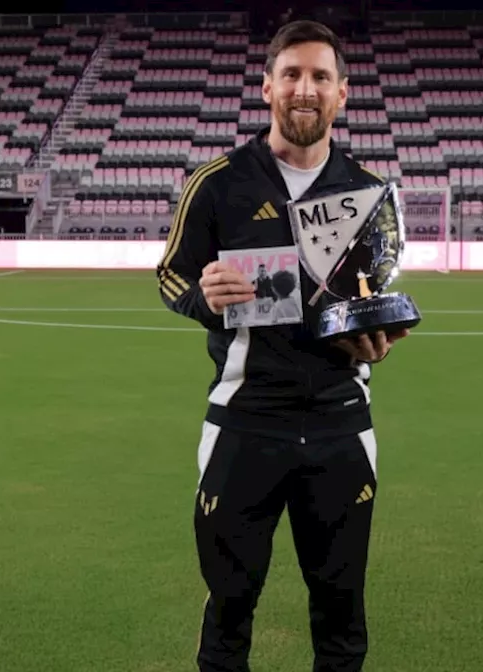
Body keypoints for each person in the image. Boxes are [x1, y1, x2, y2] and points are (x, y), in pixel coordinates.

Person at [155, 19, 410, 672]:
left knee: (341, 611)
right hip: (244, 419)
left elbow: (373, 303)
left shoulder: (371, 194)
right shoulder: (218, 183)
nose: (305, 88)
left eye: (320, 76)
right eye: (291, 74)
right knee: (230, 609)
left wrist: (378, 340)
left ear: (343, 93)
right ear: (267, 86)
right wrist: (202, 296)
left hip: (339, 423)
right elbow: (170, 275)